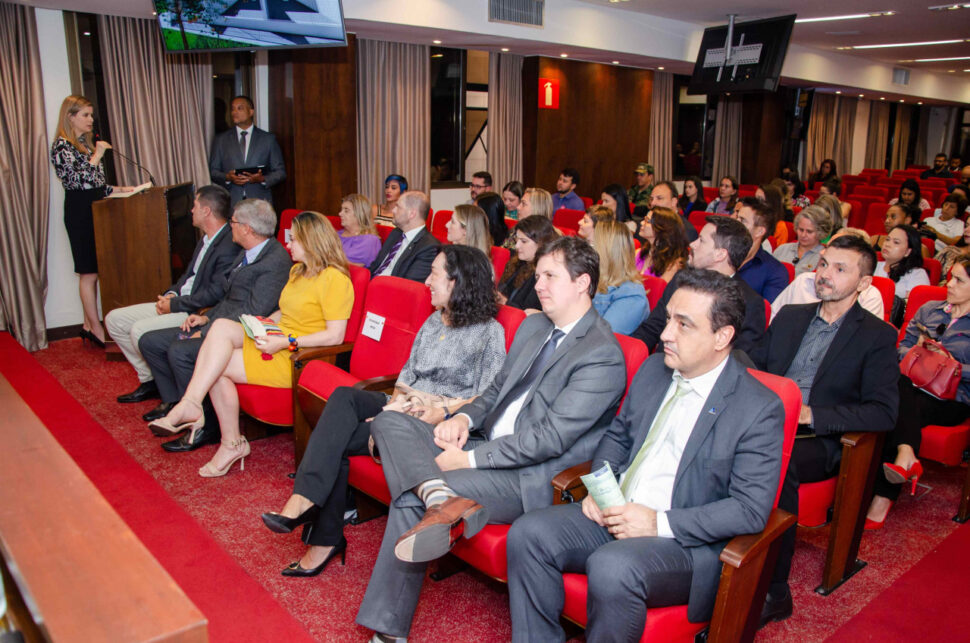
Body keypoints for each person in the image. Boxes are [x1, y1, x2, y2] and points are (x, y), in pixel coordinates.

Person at [355, 236, 627, 643]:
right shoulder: (535, 326)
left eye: (550, 276)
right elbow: (496, 390)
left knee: (409, 497)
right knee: (390, 421)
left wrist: (469, 460)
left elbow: (549, 439)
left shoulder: (601, 354)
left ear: (583, 283)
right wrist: (463, 418)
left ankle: (389, 630)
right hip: (481, 442)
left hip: (526, 475)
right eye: (537, 275)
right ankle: (435, 493)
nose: (538, 285)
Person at [507, 269, 785, 643]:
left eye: (684, 324)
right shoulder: (655, 368)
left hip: (682, 541)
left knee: (612, 566)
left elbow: (749, 509)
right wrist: (600, 490)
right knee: (528, 533)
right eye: (668, 319)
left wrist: (657, 523)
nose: (666, 333)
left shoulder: (757, 407)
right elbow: (618, 436)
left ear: (722, 337)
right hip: (617, 510)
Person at [259, 245, 506, 575]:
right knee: (344, 398)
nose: (427, 282)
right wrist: (391, 407)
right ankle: (306, 501)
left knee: (337, 441)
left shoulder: (490, 332)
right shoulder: (435, 320)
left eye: (434, 274)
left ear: (457, 281)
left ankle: (320, 531)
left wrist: (434, 410)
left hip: (439, 421)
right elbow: (406, 374)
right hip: (405, 404)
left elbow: (488, 397)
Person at [753, 235, 899, 626]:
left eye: (839, 268)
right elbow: (755, 365)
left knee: (773, 461)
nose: (824, 274)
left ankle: (775, 590)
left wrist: (812, 415)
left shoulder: (877, 336)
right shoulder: (791, 316)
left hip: (819, 438)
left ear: (864, 282)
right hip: (766, 420)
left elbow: (884, 412)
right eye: (823, 264)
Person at [149, 212, 354, 475]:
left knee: (217, 366)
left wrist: (285, 342)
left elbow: (334, 336)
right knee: (221, 329)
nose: (287, 244)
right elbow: (284, 311)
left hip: (299, 355)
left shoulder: (335, 279)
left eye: (294, 239)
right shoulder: (298, 271)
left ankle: (226, 439)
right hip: (279, 339)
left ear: (312, 241)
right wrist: (261, 323)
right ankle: (195, 407)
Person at [138, 199, 293, 451]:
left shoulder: (274, 261)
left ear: (247, 228)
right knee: (150, 341)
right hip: (220, 321)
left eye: (233, 222)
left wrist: (206, 331)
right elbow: (228, 296)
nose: (230, 226)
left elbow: (254, 311)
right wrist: (206, 317)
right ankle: (177, 403)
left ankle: (205, 425)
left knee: (180, 351)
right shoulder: (247, 251)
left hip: (243, 332)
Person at [106, 185, 239, 403]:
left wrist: (175, 304)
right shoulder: (205, 239)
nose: (191, 210)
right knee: (114, 320)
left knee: (139, 331)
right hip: (178, 301)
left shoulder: (228, 244)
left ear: (206, 211)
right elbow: (188, 276)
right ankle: (150, 380)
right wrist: (170, 294)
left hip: (194, 310)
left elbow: (215, 293)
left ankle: (167, 389)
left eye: (194, 206)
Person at [865, 257, 970, 529]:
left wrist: (950, 365)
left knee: (894, 406)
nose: (949, 284)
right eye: (950, 277)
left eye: (959, 280)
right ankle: (905, 456)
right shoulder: (930, 309)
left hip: (953, 398)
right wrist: (918, 351)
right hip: (911, 383)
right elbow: (901, 346)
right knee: (898, 389)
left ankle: (879, 495)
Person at [50, 95, 135, 347]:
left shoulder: (83, 146)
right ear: (70, 117)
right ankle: (95, 328)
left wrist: (124, 189)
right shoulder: (62, 146)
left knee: (96, 271)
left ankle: (88, 325)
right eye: (85, 115)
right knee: (88, 273)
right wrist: (98, 154)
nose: (91, 120)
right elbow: (79, 181)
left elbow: (96, 185)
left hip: (96, 209)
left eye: (91, 114)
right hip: (80, 212)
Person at [633, 216, 766, 355]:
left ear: (720, 254)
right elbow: (652, 328)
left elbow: (737, 358)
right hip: (661, 363)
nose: (692, 244)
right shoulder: (681, 279)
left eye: (701, 241)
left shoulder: (750, 304)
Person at [770, 228, 886, 321]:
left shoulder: (870, 297)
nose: (822, 252)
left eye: (840, 269)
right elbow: (774, 318)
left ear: (863, 283)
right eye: (827, 248)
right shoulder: (803, 281)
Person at [208, 95, 286, 205]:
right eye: (233, 109)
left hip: (259, 203)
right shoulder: (221, 140)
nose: (234, 112)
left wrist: (262, 179)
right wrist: (228, 177)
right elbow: (213, 172)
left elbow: (280, 172)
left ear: (251, 112)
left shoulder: (268, 139)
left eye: (240, 108)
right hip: (233, 202)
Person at [369, 191, 440, 282]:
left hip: (389, 288)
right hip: (373, 283)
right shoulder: (396, 233)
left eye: (398, 207)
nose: (393, 210)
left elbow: (407, 284)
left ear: (411, 214)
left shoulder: (429, 247)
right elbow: (375, 266)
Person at [591, 221, 648, 334]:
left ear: (606, 253)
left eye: (593, 244)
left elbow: (600, 337)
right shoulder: (591, 278)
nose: (588, 250)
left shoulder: (632, 296)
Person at [497, 215, 559, 313]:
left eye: (524, 241)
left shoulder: (546, 274)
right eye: (517, 240)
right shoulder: (518, 262)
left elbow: (529, 312)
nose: (517, 246)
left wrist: (505, 302)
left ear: (541, 244)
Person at [735, 197, 789, 303]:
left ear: (759, 231)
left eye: (742, 220)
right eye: (737, 218)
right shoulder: (719, 255)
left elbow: (767, 311)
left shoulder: (775, 271)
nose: (735, 223)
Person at [876, 224, 929, 326]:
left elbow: (910, 314)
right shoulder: (873, 266)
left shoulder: (917, 275)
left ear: (908, 251)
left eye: (896, 242)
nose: (887, 244)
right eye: (887, 239)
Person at [635, 206, 689, 282]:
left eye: (647, 221)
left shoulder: (673, 264)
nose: (641, 223)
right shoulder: (640, 253)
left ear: (661, 228)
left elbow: (660, 288)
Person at [772, 206, 831, 275]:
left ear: (821, 232)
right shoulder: (782, 249)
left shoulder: (824, 257)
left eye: (809, 231)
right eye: (801, 230)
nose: (803, 235)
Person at [335, 194, 381, 267]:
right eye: (341, 210)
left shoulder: (369, 240)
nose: (340, 214)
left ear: (359, 214)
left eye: (346, 211)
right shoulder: (337, 234)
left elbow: (355, 269)